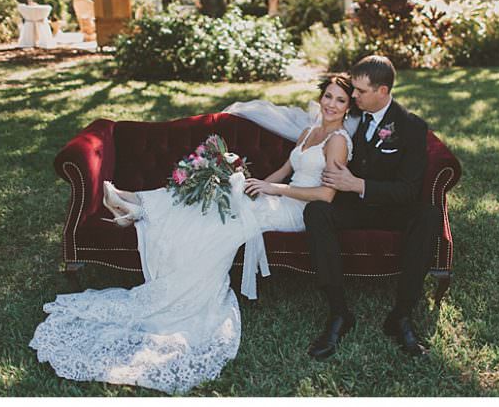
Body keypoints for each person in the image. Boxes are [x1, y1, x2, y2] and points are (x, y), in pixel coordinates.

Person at [29, 74, 357, 393]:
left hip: (295, 211)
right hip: (276, 197)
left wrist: (273, 189)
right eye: (327, 96)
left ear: (348, 107)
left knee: (219, 217)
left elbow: (325, 195)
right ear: (320, 97)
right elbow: (284, 170)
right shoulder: (308, 131)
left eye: (339, 100)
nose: (331, 104)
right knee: (218, 199)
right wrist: (254, 187)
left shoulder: (338, 141)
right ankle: (136, 202)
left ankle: (137, 205)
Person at [303, 56, 442, 359]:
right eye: (352, 89)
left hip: (392, 208)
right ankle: (339, 313)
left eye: (360, 91)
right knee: (315, 211)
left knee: (429, 216)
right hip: (352, 207)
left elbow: (408, 189)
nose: (352, 97)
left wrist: (358, 184)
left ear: (382, 91)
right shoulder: (350, 115)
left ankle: (401, 315)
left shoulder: (411, 126)